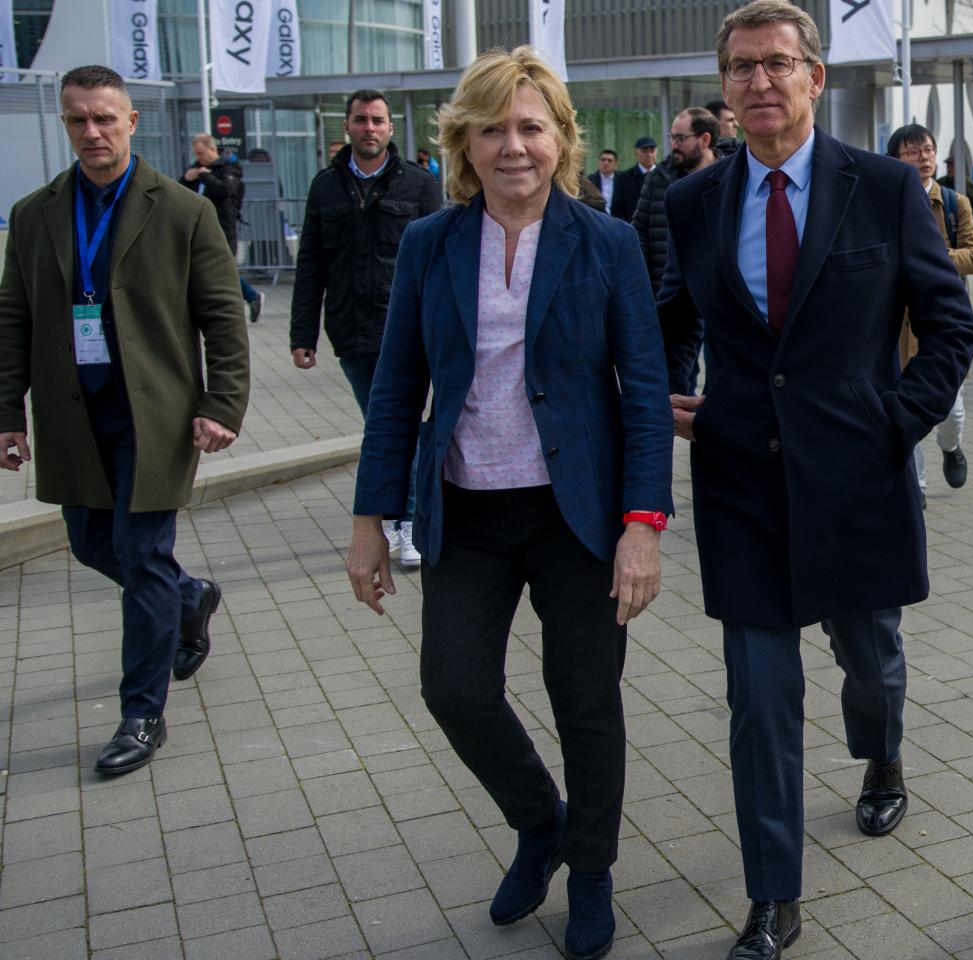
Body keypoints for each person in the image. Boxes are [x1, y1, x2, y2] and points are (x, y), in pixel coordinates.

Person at [657, 4, 973, 956]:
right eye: (742, 67)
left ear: (815, 78)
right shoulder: (693, 202)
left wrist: (895, 421)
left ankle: (882, 757)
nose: (761, 82)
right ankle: (773, 896)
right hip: (740, 482)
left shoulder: (882, 188)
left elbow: (951, 324)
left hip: (858, 478)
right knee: (759, 695)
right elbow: (671, 316)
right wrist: (671, 396)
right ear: (724, 87)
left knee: (870, 665)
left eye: (778, 64)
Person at [345, 46, 673, 960]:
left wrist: (641, 529)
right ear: (463, 143)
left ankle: (594, 870)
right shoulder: (431, 244)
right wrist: (370, 523)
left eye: (530, 126)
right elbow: (395, 389)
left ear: (561, 139)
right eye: (492, 128)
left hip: (578, 517)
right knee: (452, 685)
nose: (513, 145)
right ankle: (543, 823)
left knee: (585, 698)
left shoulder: (604, 243)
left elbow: (643, 394)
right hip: (467, 510)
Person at [0, 65, 251, 775]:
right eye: (78, 119)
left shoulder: (180, 210)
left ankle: (141, 714)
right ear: (64, 122)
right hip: (73, 416)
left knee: (140, 557)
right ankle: (191, 596)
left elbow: (222, 318)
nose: (92, 132)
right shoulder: (34, 214)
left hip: (155, 417)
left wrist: (221, 404)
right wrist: (5, 412)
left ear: (131, 121)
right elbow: (12, 317)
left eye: (105, 118)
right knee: (88, 542)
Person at [291, 89, 443, 569]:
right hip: (352, 330)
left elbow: (439, 264)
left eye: (378, 120)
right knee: (381, 426)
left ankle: (412, 522)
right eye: (361, 120)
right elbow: (310, 263)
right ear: (347, 128)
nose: (369, 128)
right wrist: (302, 334)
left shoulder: (418, 185)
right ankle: (404, 517)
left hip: (410, 331)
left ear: (391, 128)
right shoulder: (325, 187)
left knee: (406, 427)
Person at [887, 124, 973, 506]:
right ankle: (918, 488)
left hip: (942, 323)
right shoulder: (886, 201)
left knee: (950, 410)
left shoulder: (954, 202)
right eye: (913, 152)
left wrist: (929, 262)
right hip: (896, 326)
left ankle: (951, 446)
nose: (923, 158)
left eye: (927, 150)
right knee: (903, 405)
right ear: (894, 159)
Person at [633, 107, 722, 294]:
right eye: (672, 138)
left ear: (705, 140)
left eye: (681, 138)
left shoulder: (730, 177)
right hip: (667, 294)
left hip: (717, 298)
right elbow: (639, 231)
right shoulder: (658, 178)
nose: (673, 146)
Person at [181, 132, 265, 323]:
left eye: (201, 153)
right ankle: (246, 298)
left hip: (223, 227)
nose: (198, 158)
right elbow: (180, 193)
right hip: (198, 228)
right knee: (208, 270)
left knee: (222, 269)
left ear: (212, 149)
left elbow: (225, 191)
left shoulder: (228, 169)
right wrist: (187, 178)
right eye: (195, 154)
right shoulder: (198, 168)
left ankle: (250, 297)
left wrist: (205, 176)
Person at [611, 136, 656, 222]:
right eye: (645, 151)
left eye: (652, 151)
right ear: (636, 153)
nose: (649, 155)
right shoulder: (624, 178)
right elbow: (616, 210)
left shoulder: (665, 176)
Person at [936, 156, 973, 222]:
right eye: (948, 166)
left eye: (952, 166)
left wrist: (969, 221)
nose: (950, 169)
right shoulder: (941, 182)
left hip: (963, 222)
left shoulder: (967, 184)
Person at [587, 148, 622, 214]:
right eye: (603, 160)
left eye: (610, 160)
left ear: (616, 164)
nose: (606, 163)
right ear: (598, 162)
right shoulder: (590, 180)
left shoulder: (623, 179)